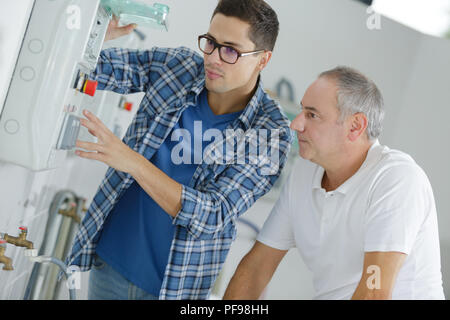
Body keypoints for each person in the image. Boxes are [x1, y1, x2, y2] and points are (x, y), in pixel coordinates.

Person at [65, 0, 292, 300]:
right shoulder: (178, 67)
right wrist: (94, 37)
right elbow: (89, 72)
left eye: (230, 50)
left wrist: (132, 161)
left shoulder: (270, 131)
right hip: (109, 264)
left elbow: (213, 214)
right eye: (210, 43)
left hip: (174, 290)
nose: (213, 58)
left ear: (262, 59)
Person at [224, 66, 445, 300]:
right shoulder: (304, 172)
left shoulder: (396, 179)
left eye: (312, 115)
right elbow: (256, 267)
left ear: (355, 127)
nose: (296, 124)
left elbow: (374, 292)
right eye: (301, 111)